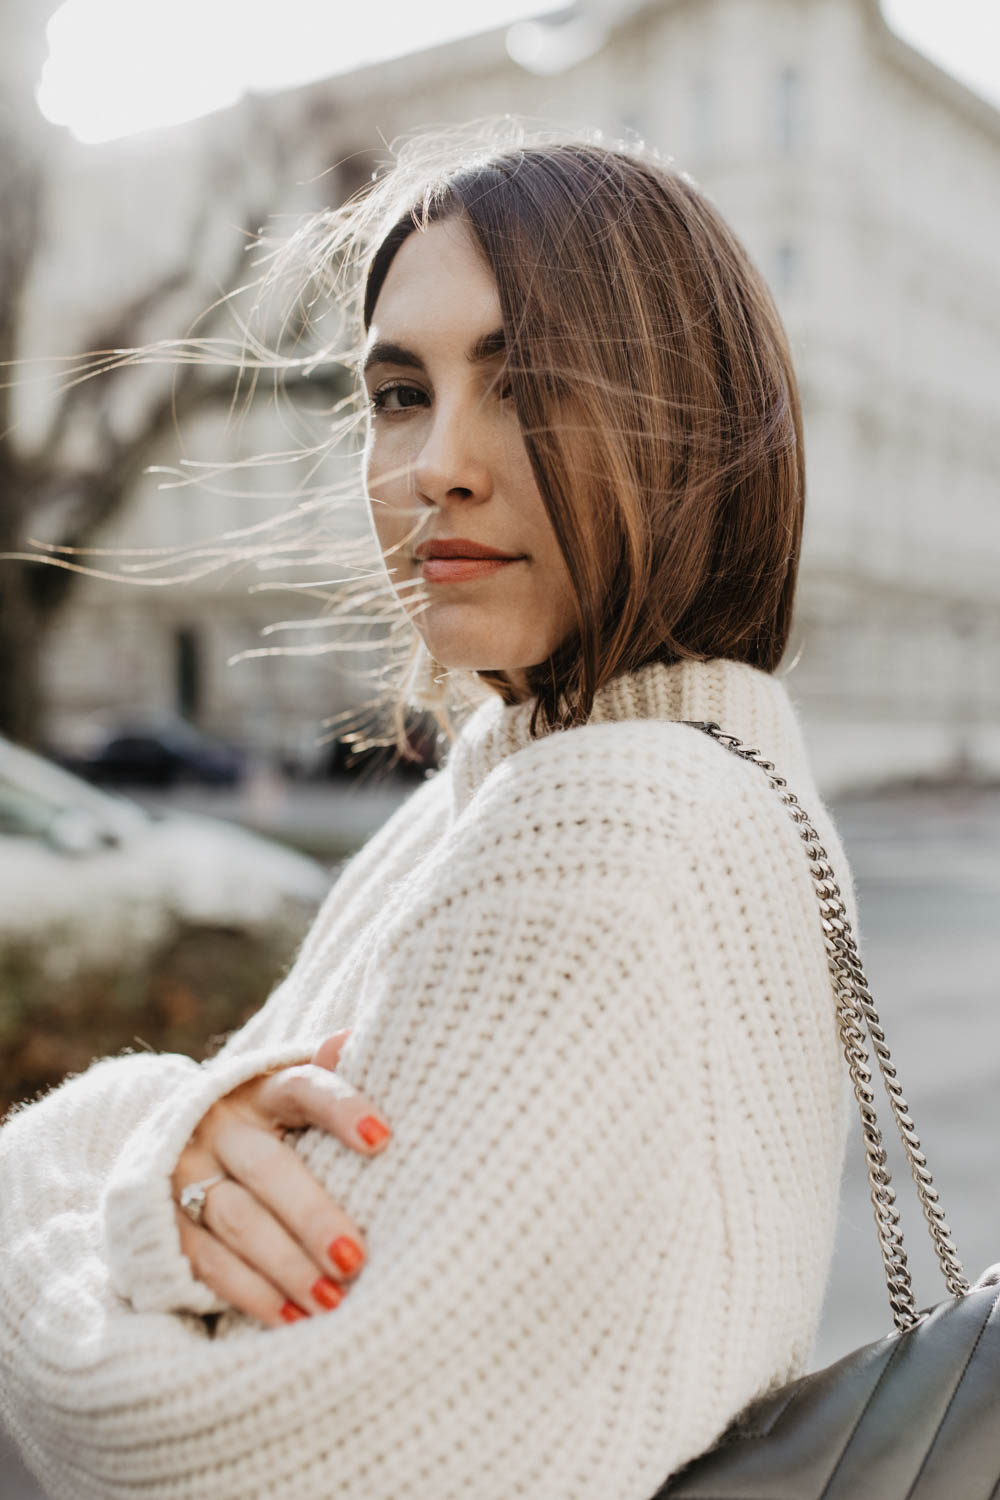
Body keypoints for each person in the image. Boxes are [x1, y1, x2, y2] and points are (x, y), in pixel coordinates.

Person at [0, 122, 859, 1499]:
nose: (437, 465)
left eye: (528, 386)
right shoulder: (542, 774)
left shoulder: (612, 830)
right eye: (400, 393)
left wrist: (70, 1181)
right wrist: (166, 1149)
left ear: (685, 424)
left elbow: (183, 1445)